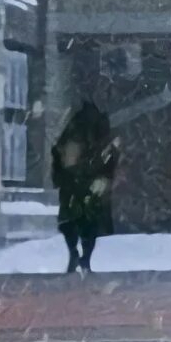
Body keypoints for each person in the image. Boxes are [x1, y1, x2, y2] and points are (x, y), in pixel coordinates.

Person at [49, 101, 118, 274]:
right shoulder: (100, 132)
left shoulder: (72, 131)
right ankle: (85, 258)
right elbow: (107, 161)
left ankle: (75, 254)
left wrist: (61, 178)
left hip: (72, 185)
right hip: (91, 186)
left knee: (70, 222)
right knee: (89, 225)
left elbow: (60, 156)